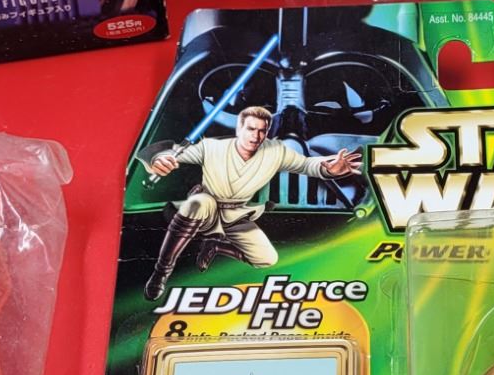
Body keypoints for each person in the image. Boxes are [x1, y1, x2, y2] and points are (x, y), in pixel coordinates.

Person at [143, 106, 360, 299]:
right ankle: (161, 273)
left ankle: (216, 245)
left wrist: (329, 169)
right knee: (197, 204)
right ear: (239, 128)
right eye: (251, 129)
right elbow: (171, 153)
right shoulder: (211, 147)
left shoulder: (275, 151)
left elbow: (305, 165)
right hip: (208, 205)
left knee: (266, 259)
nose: (256, 136)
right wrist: (158, 159)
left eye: (262, 131)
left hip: (236, 214)